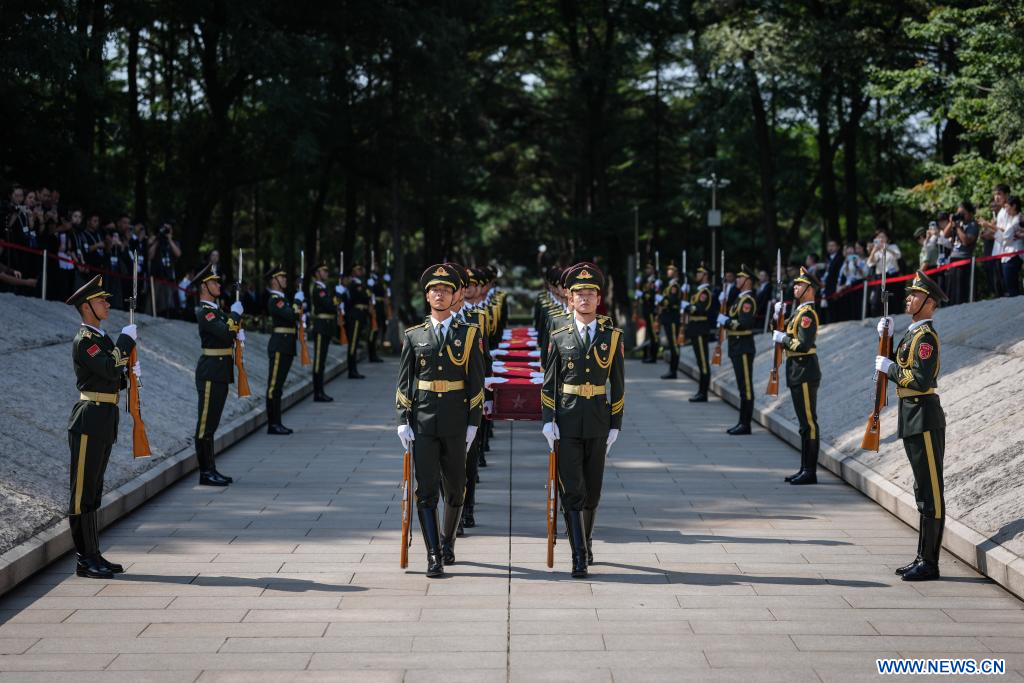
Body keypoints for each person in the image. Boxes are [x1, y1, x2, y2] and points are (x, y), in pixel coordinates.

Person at [395, 264, 484, 578]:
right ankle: (434, 554)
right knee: (426, 489)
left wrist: (474, 422)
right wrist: (402, 419)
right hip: (423, 421)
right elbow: (405, 382)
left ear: (455, 295)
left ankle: (447, 541)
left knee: (456, 487)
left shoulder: (469, 334)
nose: (440, 294)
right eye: (435, 290)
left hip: (456, 420)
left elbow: (476, 382)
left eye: (446, 290)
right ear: (427, 295)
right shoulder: (414, 335)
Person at [541, 263, 624, 578]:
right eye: (579, 293)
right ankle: (578, 554)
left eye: (590, 293)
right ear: (570, 298)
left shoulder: (611, 337)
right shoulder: (559, 336)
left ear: (598, 299)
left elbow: (618, 385)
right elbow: (549, 383)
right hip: (567, 419)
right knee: (572, 490)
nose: (585, 298)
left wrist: (615, 424)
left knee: (593, 491)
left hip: (598, 420)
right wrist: (548, 419)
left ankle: (586, 540)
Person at [874, 270, 948, 582]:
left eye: (915, 295)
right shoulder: (913, 334)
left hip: (924, 416)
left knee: (931, 491)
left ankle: (930, 563)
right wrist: (887, 339)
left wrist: (889, 368)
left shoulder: (926, 337)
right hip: (912, 415)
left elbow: (919, 379)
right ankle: (921, 557)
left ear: (929, 302)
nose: (908, 298)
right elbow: (903, 363)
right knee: (922, 489)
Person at [64, 275, 139, 578]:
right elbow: (108, 367)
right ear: (86, 307)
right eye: (101, 300)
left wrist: (130, 373)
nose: (107, 304)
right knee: (82, 492)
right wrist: (126, 341)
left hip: (105, 417)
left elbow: (113, 377)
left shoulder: (102, 338)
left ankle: (94, 554)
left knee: (94, 492)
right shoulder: (85, 340)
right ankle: (84, 559)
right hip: (89, 419)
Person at [191, 263, 242, 486]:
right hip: (211, 372)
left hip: (219, 372)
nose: (219, 285)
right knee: (205, 425)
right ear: (204, 286)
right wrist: (235, 315)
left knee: (211, 424)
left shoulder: (216, 311)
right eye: (214, 282)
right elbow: (225, 334)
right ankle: (205, 472)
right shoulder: (205, 312)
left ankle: (211, 469)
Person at [772, 267, 822, 485]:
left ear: (809, 290)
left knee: (809, 423)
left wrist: (783, 339)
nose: (795, 287)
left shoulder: (807, 314)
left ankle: (810, 471)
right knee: (803, 424)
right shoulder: (798, 312)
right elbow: (782, 332)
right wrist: (776, 317)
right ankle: (804, 468)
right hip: (796, 370)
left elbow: (803, 345)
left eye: (800, 285)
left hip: (804, 370)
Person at [716, 265, 757, 435]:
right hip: (736, 345)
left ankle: (745, 424)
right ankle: (742, 422)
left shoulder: (748, 301)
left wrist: (726, 321)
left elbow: (744, 323)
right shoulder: (739, 299)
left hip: (743, 346)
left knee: (746, 387)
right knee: (741, 386)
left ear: (748, 281)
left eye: (740, 278)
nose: (737, 280)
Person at [265, 266, 298, 435]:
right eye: (281, 277)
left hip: (287, 345)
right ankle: (273, 424)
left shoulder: (283, 299)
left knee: (279, 386)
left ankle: (277, 422)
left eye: (285, 277)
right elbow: (291, 315)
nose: (285, 279)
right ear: (274, 281)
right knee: (274, 386)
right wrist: (298, 303)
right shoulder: (275, 300)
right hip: (279, 345)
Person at [681, 262, 714, 402]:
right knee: (700, 362)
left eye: (700, 273)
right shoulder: (699, 291)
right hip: (695, 328)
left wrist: (687, 307)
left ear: (705, 275)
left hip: (700, 329)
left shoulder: (705, 292)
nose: (697, 275)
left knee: (703, 363)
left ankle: (703, 392)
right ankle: (701, 391)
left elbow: (698, 309)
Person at [944, 201, 979, 305]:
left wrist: (958, 227)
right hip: (953, 259)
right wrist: (951, 222)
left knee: (960, 290)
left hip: (964, 260)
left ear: (970, 213)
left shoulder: (973, 225)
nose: (961, 216)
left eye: (963, 213)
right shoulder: (958, 223)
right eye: (959, 213)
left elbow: (966, 241)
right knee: (952, 290)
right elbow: (945, 235)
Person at [978, 184, 1009, 298]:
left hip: (1005, 252)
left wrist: (988, 225)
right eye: (995, 194)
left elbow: (1005, 231)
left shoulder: (1007, 211)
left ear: (1006, 195)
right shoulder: (1001, 212)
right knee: (998, 285)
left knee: (1006, 287)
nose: (996, 197)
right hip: (997, 252)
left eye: (999, 194)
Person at [341, 265, 370, 379]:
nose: (361, 271)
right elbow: (362, 297)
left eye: (361, 269)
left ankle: (353, 369)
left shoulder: (360, 284)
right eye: (358, 270)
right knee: (353, 344)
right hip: (355, 316)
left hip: (360, 315)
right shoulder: (354, 284)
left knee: (355, 343)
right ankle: (352, 370)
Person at [867, 230, 902, 315]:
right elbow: (870, 263)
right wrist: (873, 251)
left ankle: (896, 314)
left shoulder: (893, 246)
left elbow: (898, 256)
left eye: (883, 237)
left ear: (887, 238)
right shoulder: (876, 250)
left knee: (893, 297)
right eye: (879, 237)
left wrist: (887, 248)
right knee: (880, 299)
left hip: (892, 275)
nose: (881, 239)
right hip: (881, 276)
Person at [657, 262, 682, 379]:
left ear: (675, 272)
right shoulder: (670, 285)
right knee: (672, 345)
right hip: (668, 318)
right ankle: (672, 370)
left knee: (674, 345)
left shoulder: (674, 286)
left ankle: (673, 370)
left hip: (672, 319)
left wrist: (661, 300)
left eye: (671, 270)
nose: (668, 272)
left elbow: (670, 301)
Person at [999, 196, 1022, 297]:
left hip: (1014, 254)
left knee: (1012, 286)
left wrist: (993, 230)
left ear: (1014, 206)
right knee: (1010, 285)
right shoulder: (1011, 219)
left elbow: (1006, 238)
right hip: (1008, 255)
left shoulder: (1017, 220)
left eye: (1007, 207)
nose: (1006, 209)